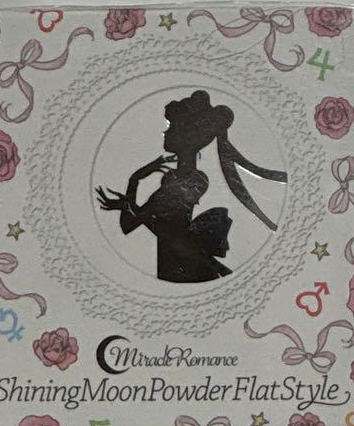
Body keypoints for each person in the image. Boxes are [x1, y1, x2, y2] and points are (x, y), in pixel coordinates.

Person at [96, 90, 285, 283]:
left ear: (186, 134)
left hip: (181, 267)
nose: (165, 131)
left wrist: (134, 182)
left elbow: (140, 225)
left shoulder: (184, 180)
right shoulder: (182, 179)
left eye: (171, 126)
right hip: (178, 265)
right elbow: (142, 225)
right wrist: (132, 190)